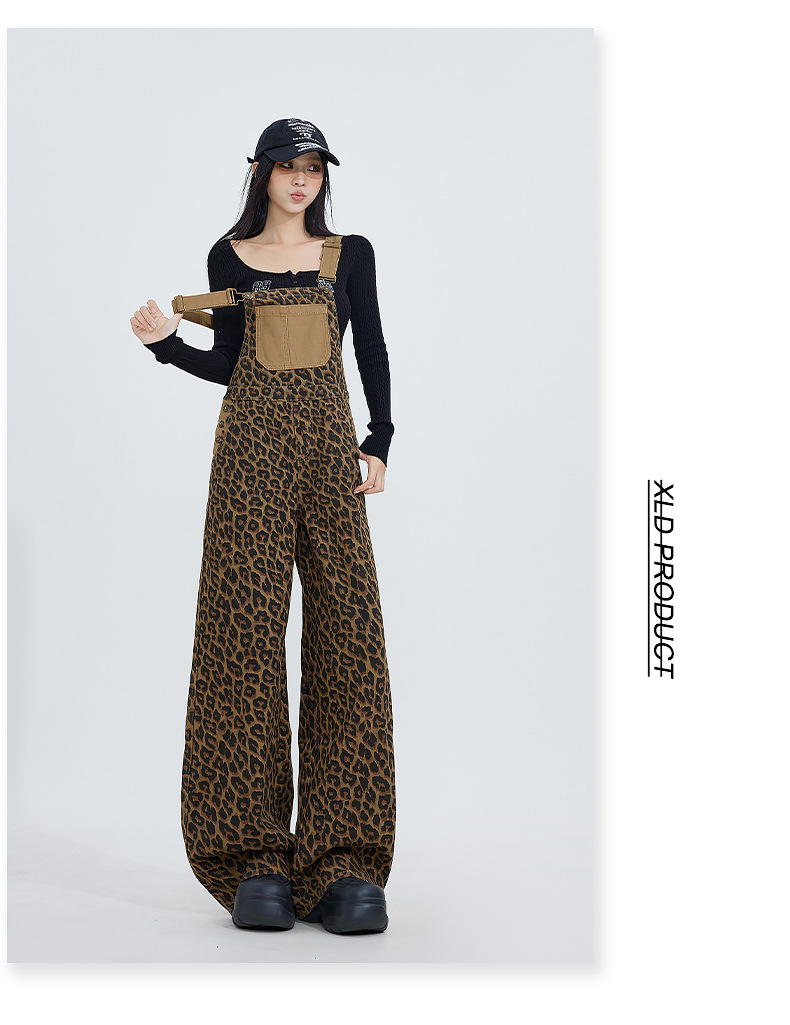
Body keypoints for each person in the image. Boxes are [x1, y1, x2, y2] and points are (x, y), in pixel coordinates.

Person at [129, 118, 396, 935]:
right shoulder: (229, 256)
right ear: (260, 172)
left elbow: (371, 346)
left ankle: (345, 861)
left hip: (331, 456)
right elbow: (230, 362)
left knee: (349, 633)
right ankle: (253, 858)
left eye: (313, 167)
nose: (301, 179)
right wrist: (166, 346)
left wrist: (380, 438)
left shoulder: (350, 254)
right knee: (240, 637)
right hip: (249, 455)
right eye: (287, 166)